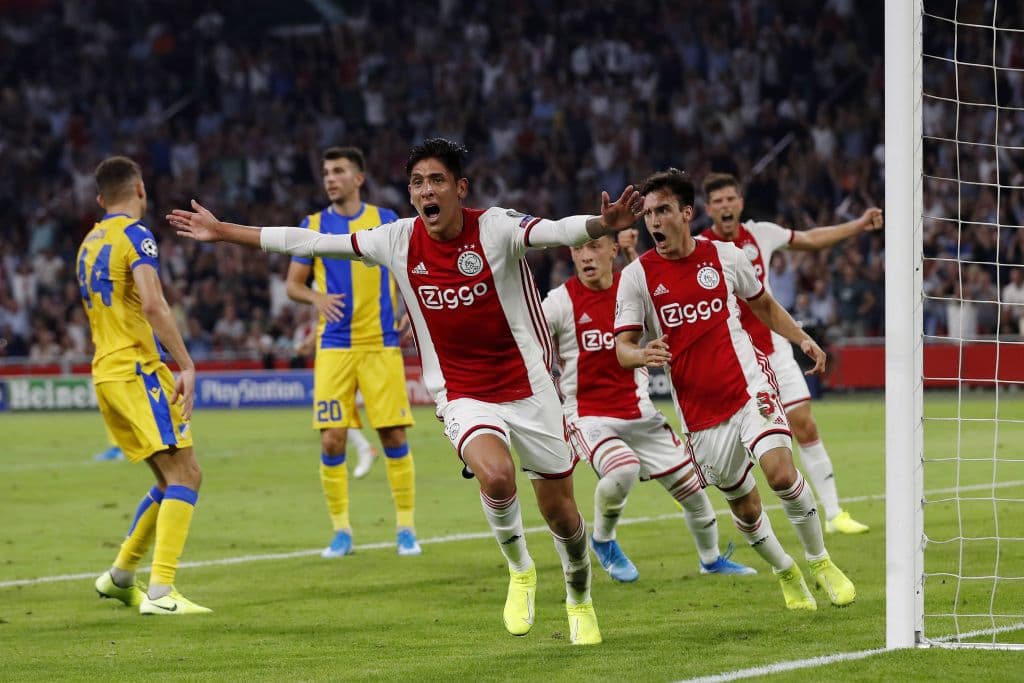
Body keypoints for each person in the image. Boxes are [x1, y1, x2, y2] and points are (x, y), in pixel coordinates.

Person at [169, 137, 645, 645]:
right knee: (497, 474)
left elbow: (555, 231)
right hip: (463, 393)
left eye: (436, 180)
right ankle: (521, 569)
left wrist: (602, 225)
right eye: (417, 183)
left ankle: (579, 596)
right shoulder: (396, 239)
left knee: (564, 517)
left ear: (460, 188)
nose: (425, 191)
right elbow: (308, 242)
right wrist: (224, 232)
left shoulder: (498, 228)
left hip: (530, 390)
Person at [615, 169, 856, 611]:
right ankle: (785, 569)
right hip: (699, 413)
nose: (653, 221)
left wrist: (801, 338)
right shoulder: (637, 277)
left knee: (782, 474)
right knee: (745, 510)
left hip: (748, 385)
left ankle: (820, 560)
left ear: (686, 213)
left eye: (663, 210)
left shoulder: (725, 256)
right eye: (648, 213)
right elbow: (622, 347)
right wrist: (641, 353)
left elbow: (762, 302)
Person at [543, 234, 756, 582]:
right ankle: (604, 540)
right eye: (578, 249)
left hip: (639, 413)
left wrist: (633, 251)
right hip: (589, 416)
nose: (586, 255)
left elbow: (656, 280)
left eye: (595, 247)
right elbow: (528, 335)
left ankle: (711, 559)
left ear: (612, 250)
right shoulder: (560, 302)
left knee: (694, 493)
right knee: (623, 469)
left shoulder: (632, 293)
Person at [701, 172, 881, 535]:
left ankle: (834, 515)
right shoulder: (699, 247)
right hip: (732, 359)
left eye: (729, 199)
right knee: (731, 451)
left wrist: (859, 225)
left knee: (805, 423)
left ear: (740, 203)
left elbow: (812, 240)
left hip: (774, 348)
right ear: (708, 209)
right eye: (717, 201)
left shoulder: (761, 234)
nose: (724, 206)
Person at [80, 156, 209, 615]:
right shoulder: (136, 235)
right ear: (141, 190)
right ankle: (161, 591)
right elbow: (154, 305)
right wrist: (186, 364)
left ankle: (120, 576)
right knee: (186, 474)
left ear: (100, 199)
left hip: (105, 372)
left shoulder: (89, 242)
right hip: (137, 369)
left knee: (167, 477)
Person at [285, 146, 418, 557]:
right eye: (326, 172)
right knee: (332, 441)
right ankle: (341, 531)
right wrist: (315, 298)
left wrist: (412, 315)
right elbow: (294, 284)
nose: (330, 178)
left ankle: (406, 529)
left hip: (380, 343)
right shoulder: (312, 225)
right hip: (334, 346)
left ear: (358, 178)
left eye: (339, 171)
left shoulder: (386, 221)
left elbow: (410, 271)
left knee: (393, 433)